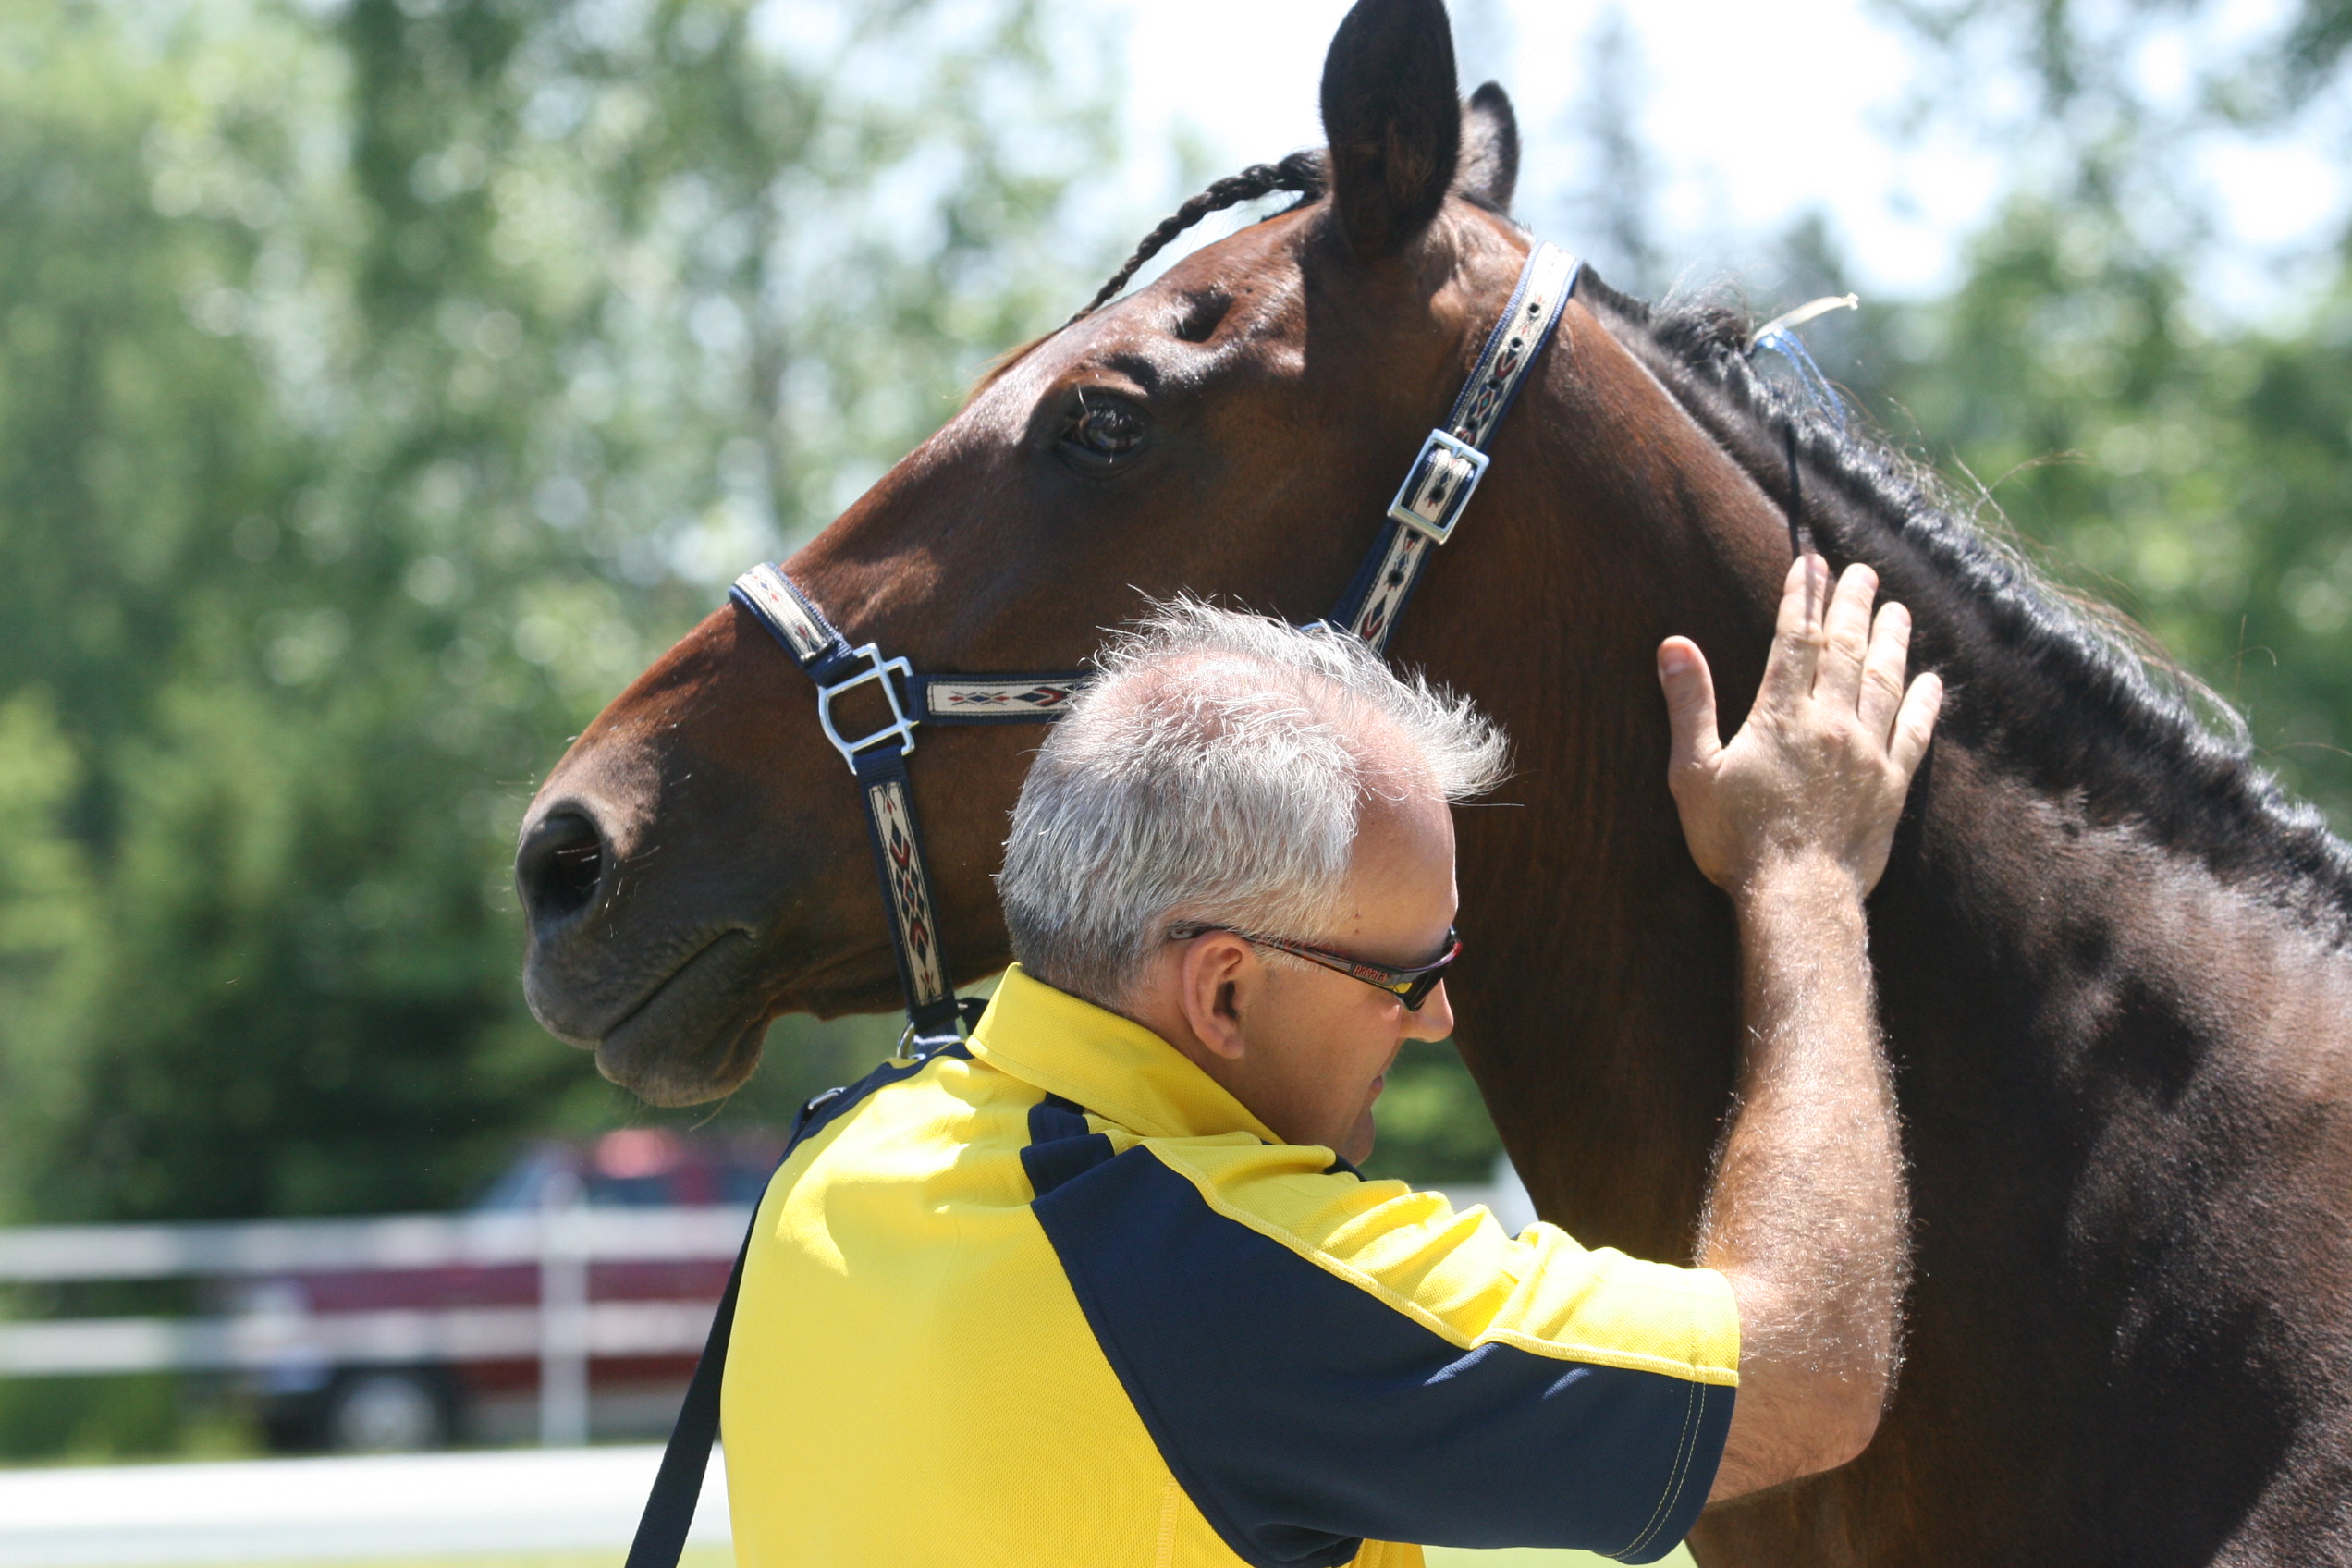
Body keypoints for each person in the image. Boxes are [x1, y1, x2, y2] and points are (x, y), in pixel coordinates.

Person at [721, 557, 1941, 1567]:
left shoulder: (831, 1162)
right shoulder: (1213, 1278)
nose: (1438, 1020)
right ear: (1224, 988)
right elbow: (1810, 1371)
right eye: (1406, 975)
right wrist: (1803, 870)